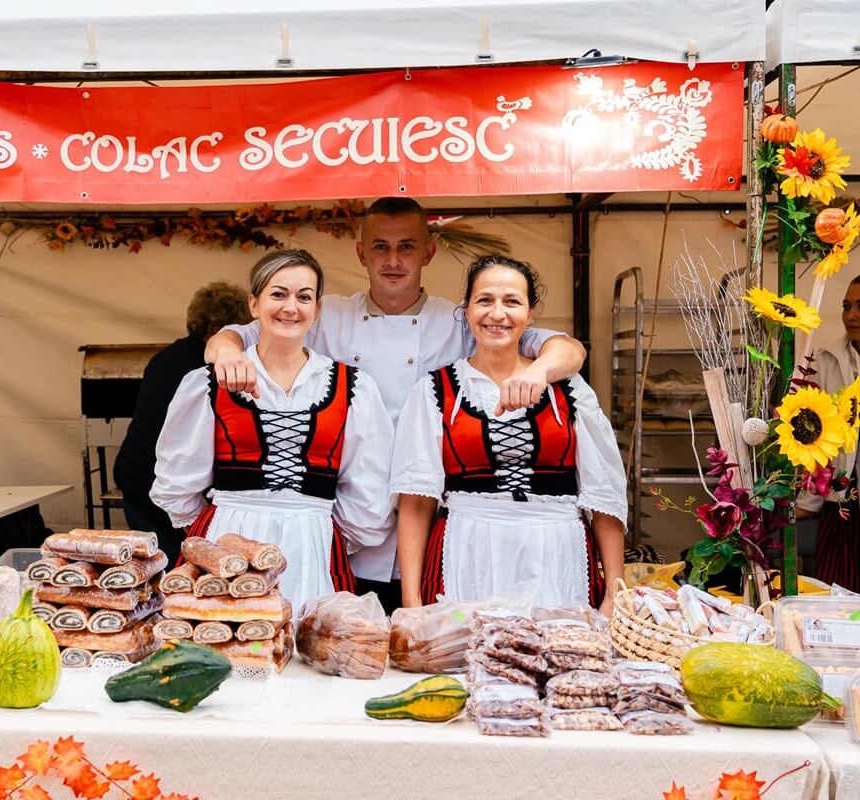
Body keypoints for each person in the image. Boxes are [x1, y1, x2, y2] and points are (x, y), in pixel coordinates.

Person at [204, 197, 587, 612]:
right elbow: (234, 336)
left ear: (427, 251)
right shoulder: (325, 312)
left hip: (429, 523)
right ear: (361, 252)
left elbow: (566, 350)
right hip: (350, 531)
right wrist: (225, 352)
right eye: (381, 247)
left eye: (406, 246)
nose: (393, 260)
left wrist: (537, 372)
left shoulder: (461, 319)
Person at [151, 249, 395, 615]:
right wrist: (220, 529)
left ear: (317, 309)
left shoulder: (353, 387)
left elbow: (370, 489)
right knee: (228, 647)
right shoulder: (208, 383)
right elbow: (177, 484)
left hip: (313, 541)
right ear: (254, 304)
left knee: (312, 651)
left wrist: (319, 531)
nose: (290, 307)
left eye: (304, 296)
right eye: (278, 294)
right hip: (228, 540)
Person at [390, 255, 625, 615]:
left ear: (530, 315)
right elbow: (417, 501)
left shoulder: (569, 390)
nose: (497, 313)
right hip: (468, 551)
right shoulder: (435, 391)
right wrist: (411, 603)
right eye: (484, 300)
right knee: (463, 664)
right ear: (466, 311)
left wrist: (614, 591)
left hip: (555, 552)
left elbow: (602, 497)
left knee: (559, 663)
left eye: (511, 302)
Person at [114, 281, 250, 564]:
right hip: (159, 485)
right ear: (215, 332)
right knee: (177, 569)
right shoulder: (204, 371)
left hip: (135, 477)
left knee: (155, 566)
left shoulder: (165, 357)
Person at [798, 275, 860, 590]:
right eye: (847, 306)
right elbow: (815, 442)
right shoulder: (826, 361)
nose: (851, 315)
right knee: (835, 596)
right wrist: (807, 503)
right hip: (843, 505)